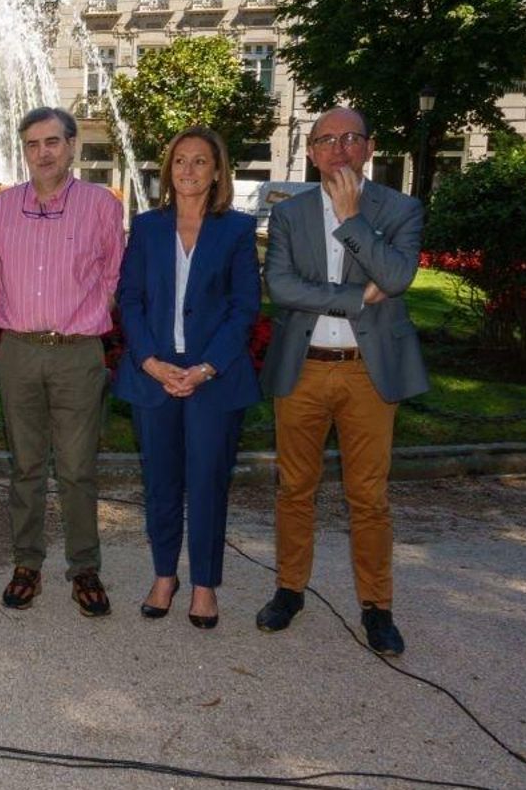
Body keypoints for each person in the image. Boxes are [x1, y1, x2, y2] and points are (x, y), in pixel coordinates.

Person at [256, 106, 427, 656]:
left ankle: (377, 606)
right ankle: (289, 590)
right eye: (326, 140)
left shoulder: (399, 209)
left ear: (369, 148)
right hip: (303, 367)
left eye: (350, 138)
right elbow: (281, 287)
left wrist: (353, 220)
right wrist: (356, 297)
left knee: (369, 496)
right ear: (311, 153)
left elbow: (396, 277)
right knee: (294, 489)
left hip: (367, 372)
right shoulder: (290, 213)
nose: (339, 149)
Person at [115, 126, 260, 629]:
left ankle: (203, 584)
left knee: (207, 483)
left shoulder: (237, 230)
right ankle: (164, 576)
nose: (189, 170)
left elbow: (245, 308)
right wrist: (149, 361)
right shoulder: (147, 227)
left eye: (200, 161)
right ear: (168, 169)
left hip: (213, 379)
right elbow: (130, 299)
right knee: (160, 483)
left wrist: (205, 368)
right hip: (154, 375)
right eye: (180, 161)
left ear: (217, 171)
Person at [0, 107, 125, 617]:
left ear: (72, 147)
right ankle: (27, 564)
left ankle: (84, 568)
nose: (42, 153)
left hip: (77, 353)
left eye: (52, 142)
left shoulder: (101, 205)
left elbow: (114, 274)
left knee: (77, 468)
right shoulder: (2, 207)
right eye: (32, 144)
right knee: (24, 466)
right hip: (19, 351)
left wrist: (86, 315)